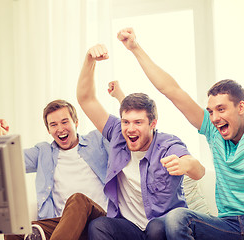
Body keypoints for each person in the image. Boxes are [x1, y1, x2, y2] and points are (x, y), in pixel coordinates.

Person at [117, 22, 244, 239]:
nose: (214, 118)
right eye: (211, 111)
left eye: (221, 109)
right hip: (228, 227)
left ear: (241, 107)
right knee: (177, 218)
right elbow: (172, 91)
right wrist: (135, 47)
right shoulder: (213, 132)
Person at [76, 43, 205, 240]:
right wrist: (89, 60)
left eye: (138, 122)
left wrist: (184, 164)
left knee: (155, 228)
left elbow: (199, 171)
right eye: (126, 122)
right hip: (129, 227)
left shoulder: (167, 145)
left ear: (153, 123)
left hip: (162, 226)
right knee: (98, 226)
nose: (130, 128)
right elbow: (86, 99)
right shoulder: (118, 135)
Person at [0, 87, 125, 240]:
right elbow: (8, 161)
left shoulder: (97, 140)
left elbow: (123, 132)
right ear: (48, 129)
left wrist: (120, 97)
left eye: (64, 122)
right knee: (14, 230)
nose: (60, 129)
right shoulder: (44, 152)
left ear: (76, 122)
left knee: (78, 200)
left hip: (99, 219)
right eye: (53, 124)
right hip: (63, 225)